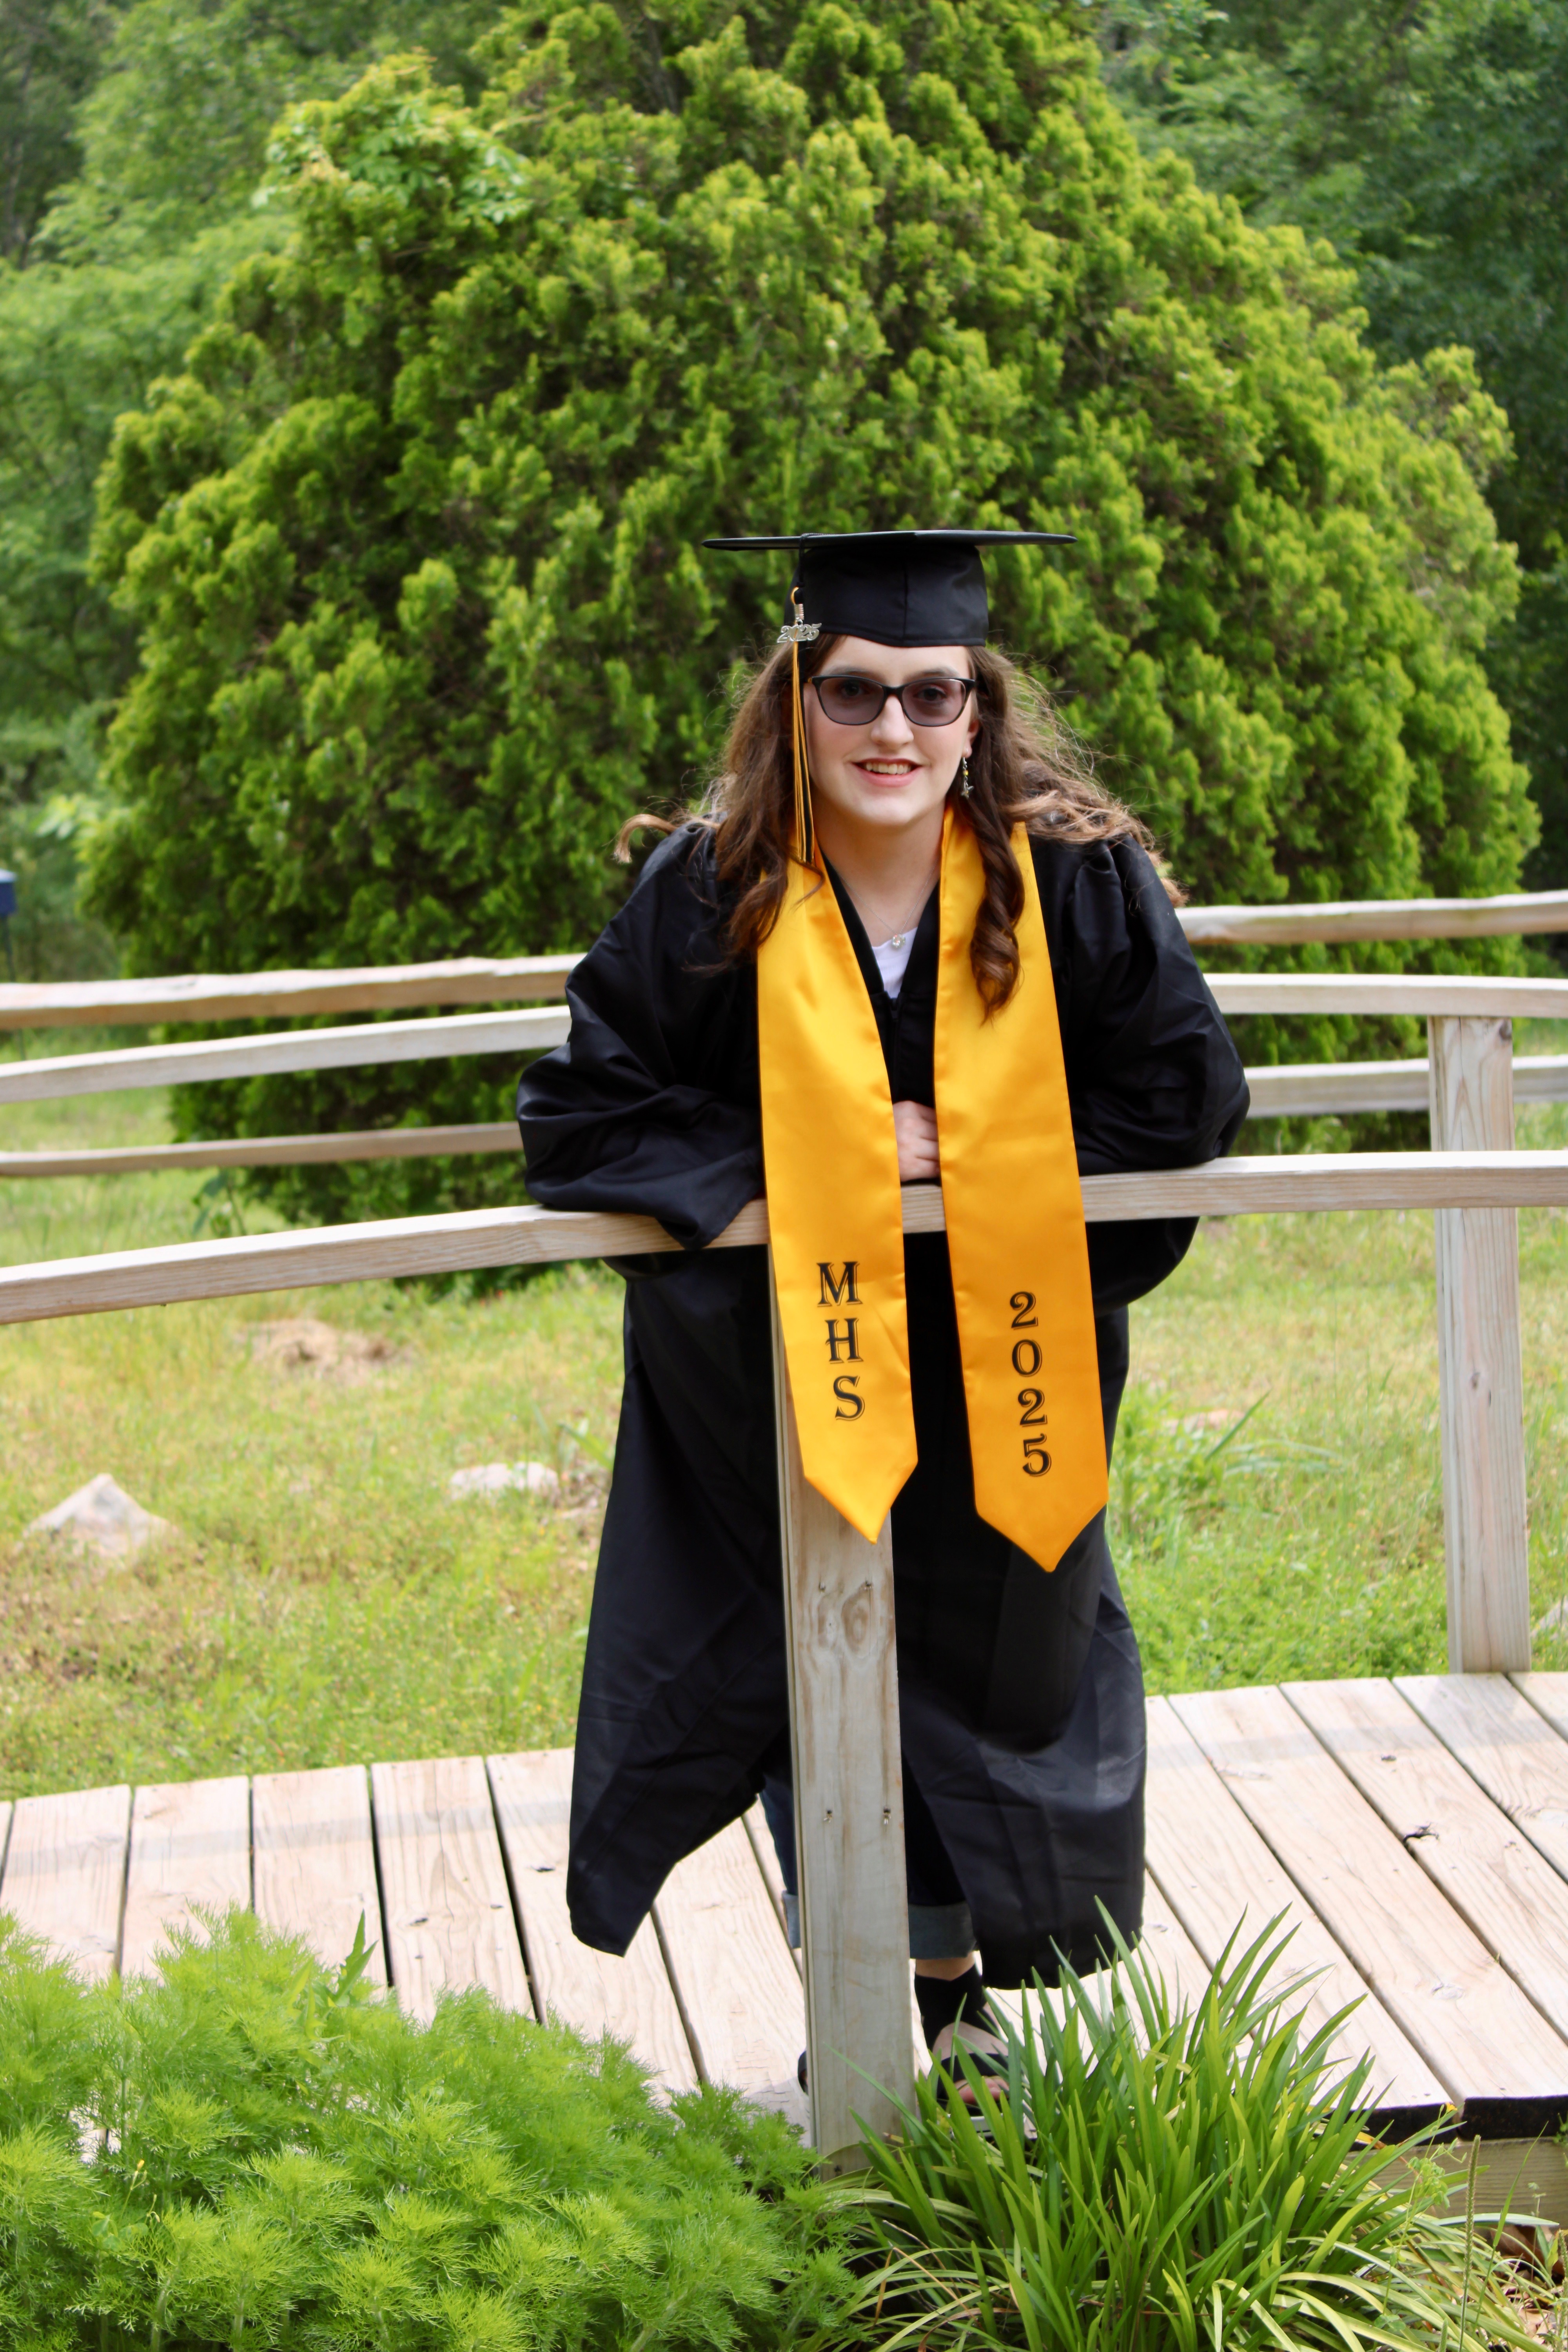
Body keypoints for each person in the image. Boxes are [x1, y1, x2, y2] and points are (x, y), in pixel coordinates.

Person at [517, 528, 1249, 2085]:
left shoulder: (1074, 881)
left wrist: (974, 1151)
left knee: (993, 1663)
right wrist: (827, 1153)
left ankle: (956, 1993)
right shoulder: (713, 887)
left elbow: (1183, 1095)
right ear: (798, 698)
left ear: (978, 711)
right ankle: (875, 2010)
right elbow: (582, 1117)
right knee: (803, 1659)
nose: (892, 730)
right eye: (854, 691)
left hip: (1007, 1361)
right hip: (779, 1367)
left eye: (932, 693)